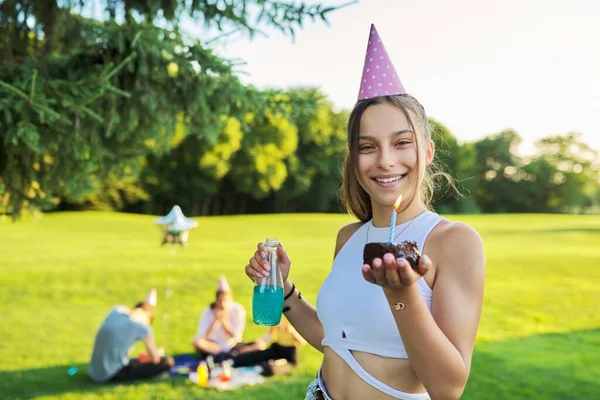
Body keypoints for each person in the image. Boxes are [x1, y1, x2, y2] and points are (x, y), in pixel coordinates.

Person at [244, 24, 485, 400]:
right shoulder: (349, 237)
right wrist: (285, 289)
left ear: (427, 152)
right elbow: (335, 339)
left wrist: (400, 294)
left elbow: (448, 387)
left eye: (401, 143)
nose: (386, 161)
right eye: (367, 147)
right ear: (354, 159)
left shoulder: (453, 242)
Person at [88, 289, 174, 383]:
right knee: (167, 362)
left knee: (136, 361)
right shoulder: (143, 328)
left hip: (94, 372)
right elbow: (155, 360)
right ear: (148, 318)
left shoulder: (116, 310)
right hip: (111, 374)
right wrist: (151, 356)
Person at [192, 275, 247, 362]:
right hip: (214, 345)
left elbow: (235, 336)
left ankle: (219, 356)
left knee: (258, 345)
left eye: (225, 300)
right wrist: (215, 322)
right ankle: (219, 355)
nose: (222, 304)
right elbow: (202, 336)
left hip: (232, 345)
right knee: (197, 342)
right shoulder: (208, 311)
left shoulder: (237, 310)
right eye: (220, 301)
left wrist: (224, 321)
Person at [231, 317, 306, 376]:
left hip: (289, 352)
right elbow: (270, 335)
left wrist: (292, 332)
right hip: (277, 347)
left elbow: (302, 342)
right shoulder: (280, 317)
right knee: (258, 355)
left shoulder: (297, 320)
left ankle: (262, 369)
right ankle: (236, 360)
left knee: (275, 368)